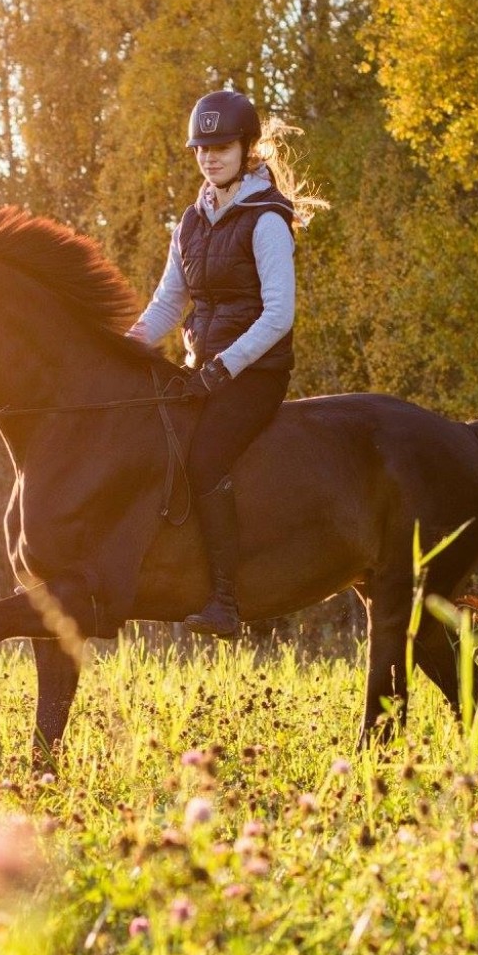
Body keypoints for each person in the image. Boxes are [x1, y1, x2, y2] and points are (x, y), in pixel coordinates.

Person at [127, 90, 327, 639]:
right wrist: (125, 346)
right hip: (204, 369)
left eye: (221, 146)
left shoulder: (265, 220)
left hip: (255, 374)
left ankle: (224, 597)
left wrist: (224, 367)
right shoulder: (190, 223)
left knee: (205, 458)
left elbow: (279, 313)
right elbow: (170, 302)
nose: (210, 157)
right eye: (202, 148)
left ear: (246, 147)